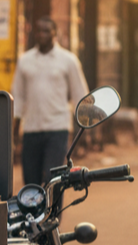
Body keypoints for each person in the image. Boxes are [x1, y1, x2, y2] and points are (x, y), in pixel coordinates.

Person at [11, 17, 88, 186]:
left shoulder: (68, 60)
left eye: (46, 31)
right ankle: (35, 213)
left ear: (55, 33)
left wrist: (83, 130)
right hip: (31, 129)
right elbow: (18, 98)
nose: (42, 34)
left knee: (54, 180)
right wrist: (14, 131)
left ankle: (54, 213)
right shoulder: (25, 60)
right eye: (38, 31)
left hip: (57, 129)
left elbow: (80, 95)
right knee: (31, 183)